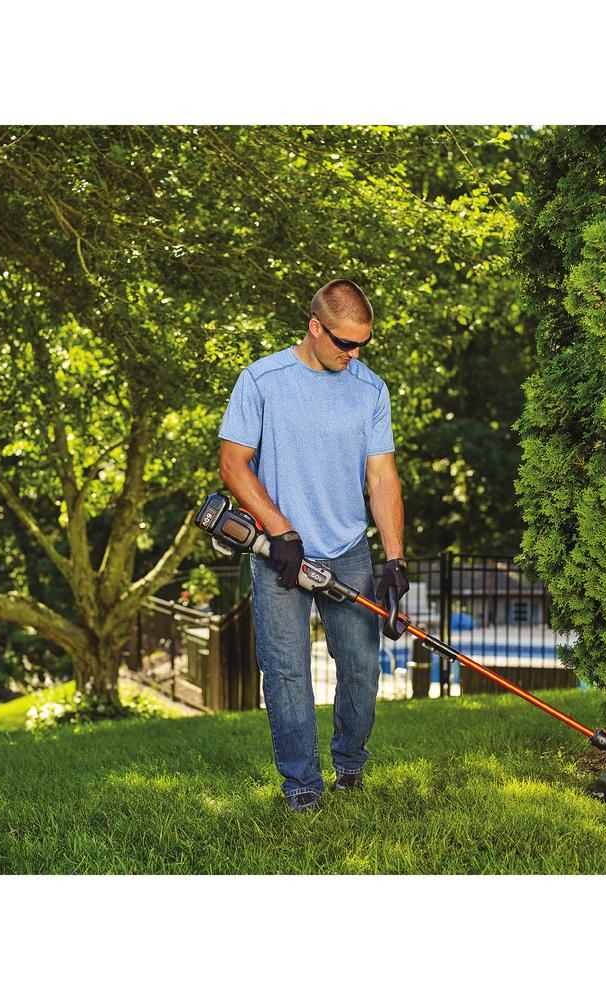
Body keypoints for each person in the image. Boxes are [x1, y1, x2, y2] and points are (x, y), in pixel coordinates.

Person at [218, 279, 410, 811]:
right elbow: (233, 464)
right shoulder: (262, 381)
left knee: (361, 668)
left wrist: (394, 557)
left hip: (348, 550)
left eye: (363, 344)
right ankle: (302, 785)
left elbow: (382, 476)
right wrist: (279, 529)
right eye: (345, 343)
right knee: (286, 673)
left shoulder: (370, 389)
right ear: (315, 327)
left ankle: (350, 763)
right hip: (279, 554)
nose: (354, 355)